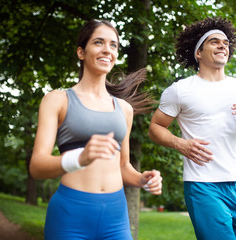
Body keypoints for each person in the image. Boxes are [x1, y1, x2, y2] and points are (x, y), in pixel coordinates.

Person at [30, 19, 162, 240]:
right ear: (81, 52)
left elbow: (123, 166)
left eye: (113, 45)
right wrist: (79, 158)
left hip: (116, 218)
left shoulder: (124, 109)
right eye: (99, 42)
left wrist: (142, 180)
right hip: (70, 216)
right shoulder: (57, 100)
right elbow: (37, 166)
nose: (107, 50)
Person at [148, 17, 236, 240]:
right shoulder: (180, 90)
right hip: (203, 184)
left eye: (225, 42)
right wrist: (180, 143)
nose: (222, 45)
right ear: (199, 53)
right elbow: (155, 127)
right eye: (214, 42)